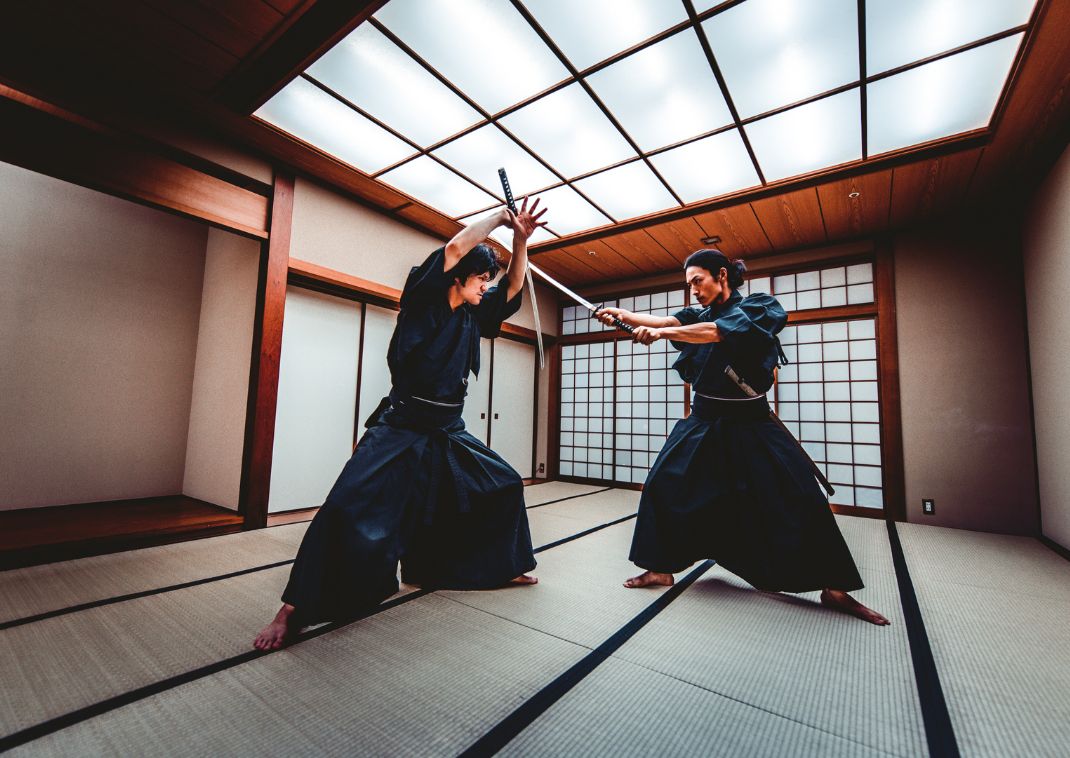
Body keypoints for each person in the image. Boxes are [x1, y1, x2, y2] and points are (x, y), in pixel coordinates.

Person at [255, 198, 549, 650]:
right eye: (481, 278)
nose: (486, 288)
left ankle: (496, 565)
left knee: (504, 483)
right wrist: (497, 219)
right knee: (346, 507)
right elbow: (453, 247)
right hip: (404, 423)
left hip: (449, 430)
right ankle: (292, 610)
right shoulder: (424, 299)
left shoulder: (473, 314)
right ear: (458, 277)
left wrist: (521, 240)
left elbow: (512, 290)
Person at [596, 249, 889, 625]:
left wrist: (661, 332)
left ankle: (835, 589)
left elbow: (715, 332)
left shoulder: (759, 307)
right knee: (661, 484)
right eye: (688, 285)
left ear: (721, 275)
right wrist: (623, 316)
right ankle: (660, 568)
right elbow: (667, 319)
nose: (693, 291)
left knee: (800, 496)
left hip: (751, 420)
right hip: (703, 418)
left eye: (697, 281)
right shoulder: (695, 315)